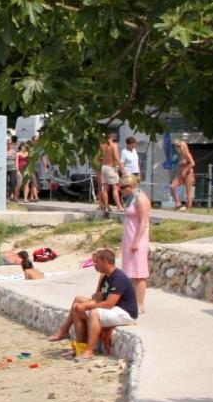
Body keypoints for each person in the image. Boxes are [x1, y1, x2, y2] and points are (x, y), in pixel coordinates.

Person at [46, 248, 137, 358]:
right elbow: (99, 298)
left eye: (96, 262)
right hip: (114, 309)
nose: (94, 264)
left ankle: (89, 351)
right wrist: (83, 305)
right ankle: (80, 347)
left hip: (125, 312)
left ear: (105, 262)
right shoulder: (106, 277)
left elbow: (109, 304)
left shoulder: (119, 278)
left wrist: (87, 305)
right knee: (77, 307)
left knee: (94, 313)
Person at [119, 173, 151, 313]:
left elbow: (144, 221)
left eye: (123, 187)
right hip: (129, 237)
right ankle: (130, 301)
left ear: (131, 186)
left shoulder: (141, 199)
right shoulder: (132, 198)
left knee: (139, 273)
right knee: (130, 271)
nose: (121, 189)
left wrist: (136, 242)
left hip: (137, 239)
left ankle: (140, 304)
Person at [98, 131, 122, 213]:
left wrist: (103, 160)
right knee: (115, 188)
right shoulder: (113, 145)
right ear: (111, 135)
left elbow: (98, 157)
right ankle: (119, 206)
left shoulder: (102, 145)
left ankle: (106, 206)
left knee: (104, 188)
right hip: (111, 167)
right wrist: (122, 167)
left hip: (103, 167)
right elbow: (116, 157)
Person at [172, 137, 195, 210]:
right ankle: (178, 203)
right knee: (172, 186)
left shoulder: (187, 154)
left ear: (183, 146)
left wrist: (185, 170)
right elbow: (180, 167)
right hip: (181, 174)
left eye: (178, 146)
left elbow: (192, 163)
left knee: (188, 191)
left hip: (189, 174)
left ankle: (189, 207)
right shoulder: (180, 155)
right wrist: (178, 175)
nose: (177, 148)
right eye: (176, 146)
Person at [6, 136, 20, 202]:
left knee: (12, 183)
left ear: (12, 144)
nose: (9, 144)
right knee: (5, 183)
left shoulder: (15, 152)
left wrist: (17, 170)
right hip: (5, 169)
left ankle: (12, 195)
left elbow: (16, 162)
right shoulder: (4, 151)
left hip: (12, 169)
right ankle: (6, 195)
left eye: (10, 143)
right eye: (7, 143)